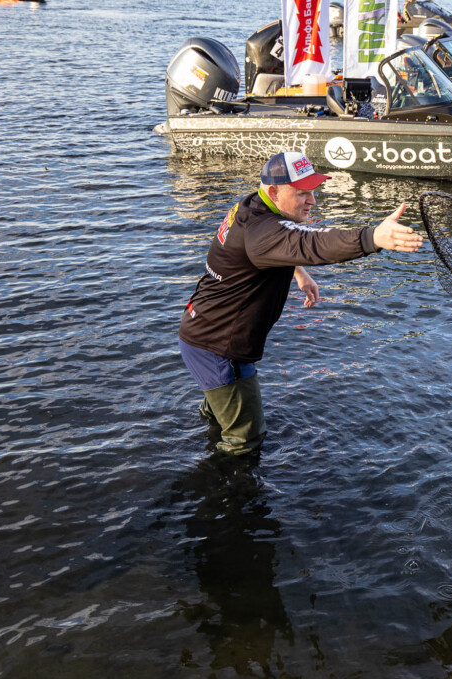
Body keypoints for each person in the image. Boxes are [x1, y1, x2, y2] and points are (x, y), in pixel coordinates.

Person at [178, 151, 423, 456]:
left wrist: (298, 271)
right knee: (246, 441)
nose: (313, 200)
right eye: (302, 193)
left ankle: (205, 438)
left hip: (200, 329)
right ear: (273, 192)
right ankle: (220, 482)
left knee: (218, 413)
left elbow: (279, 243)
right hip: (218, 347)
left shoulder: (251, 205)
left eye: (313, 190)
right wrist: (371, 237)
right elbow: (311, 242)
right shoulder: (262, 233)